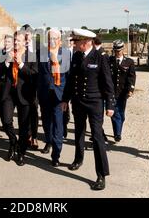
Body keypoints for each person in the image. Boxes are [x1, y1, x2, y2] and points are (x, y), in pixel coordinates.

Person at [61, 29, 115, 191]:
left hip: (94, 102)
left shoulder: (101, 57)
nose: (74, 44)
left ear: (86, 42)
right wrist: (65, 99)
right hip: (78, 101)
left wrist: (110, 105)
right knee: (79, 131)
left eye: (76, 42)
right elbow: (71, 79)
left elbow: (108, 83)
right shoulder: (77, 56)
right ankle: (78, 159)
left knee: (97, 136)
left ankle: (101, 174)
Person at [0, 31, 38, 166]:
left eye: (18, 41)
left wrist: (21, 64)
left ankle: (21, 153)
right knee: (6, 122)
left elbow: (34, 76)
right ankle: (13, 142)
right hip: (8, 94)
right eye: (14, 41)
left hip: (24, 95)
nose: (15, 43)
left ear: (25, 42)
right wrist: (7, 62)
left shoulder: (31, 56)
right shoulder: (7, 54)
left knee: (24, 127)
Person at [37, 29, 70, 166]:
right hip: (44, 94)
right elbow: (37, 73)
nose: (52, 40)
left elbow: (68, 77)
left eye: (55, 38)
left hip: (59, 95)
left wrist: (66, 99)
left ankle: (56, 154)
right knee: (46, 122)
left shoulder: (66, 54)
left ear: (60, 40)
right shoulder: (41, 53)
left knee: (58, 124)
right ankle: (49, 141)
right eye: (50, 38)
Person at [109, 40, 136, 142]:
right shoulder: (109, 60)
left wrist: (131, 89)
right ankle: (117, 134)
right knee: (114, 112)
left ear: (123, 49)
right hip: (111, 91)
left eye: (119, 50)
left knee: (121, 114)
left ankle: (117, 129)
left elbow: (131, 77)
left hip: (122, 92)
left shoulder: (129, 62)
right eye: (116, 50)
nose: (117, 52)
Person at [21, 24, 40, 150]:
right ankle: (27, 135)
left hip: (35, 85)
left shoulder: (39, 49)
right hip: (22, 85)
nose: (27, 36)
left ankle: (34, 136)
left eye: (28, 34)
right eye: (25, 34)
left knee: (34, 112)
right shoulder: (20, 48)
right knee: (25, 112)